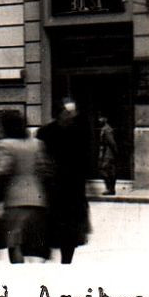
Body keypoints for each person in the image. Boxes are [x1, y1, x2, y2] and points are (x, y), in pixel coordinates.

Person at [38, 100, 91, 264]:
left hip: (73, 189)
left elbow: (85, 159)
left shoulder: (78, 131)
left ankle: (66, 261)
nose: (71, 115)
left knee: (70, 232)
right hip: (54, 188)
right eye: (68, 112)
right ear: (59, 113)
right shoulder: (46, 132)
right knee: (53, 228)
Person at [0, 110, 49, 264]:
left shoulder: (5, 145)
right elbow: (44, 169)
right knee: (34, 246)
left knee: (15, 243)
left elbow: (2, 171)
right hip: (37, 200)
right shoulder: (37, 144)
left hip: (14, 201)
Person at [96, 117, 119, 197]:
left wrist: (115, 153)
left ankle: (110, 189)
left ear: (105, 119)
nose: (99, 120)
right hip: (105, 153)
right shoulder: (104, 129)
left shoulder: (107, 129)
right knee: (108, 170)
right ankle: (110, 189)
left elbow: (112, 143)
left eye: (101, 118)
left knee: (105, 170)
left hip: (108, 153)